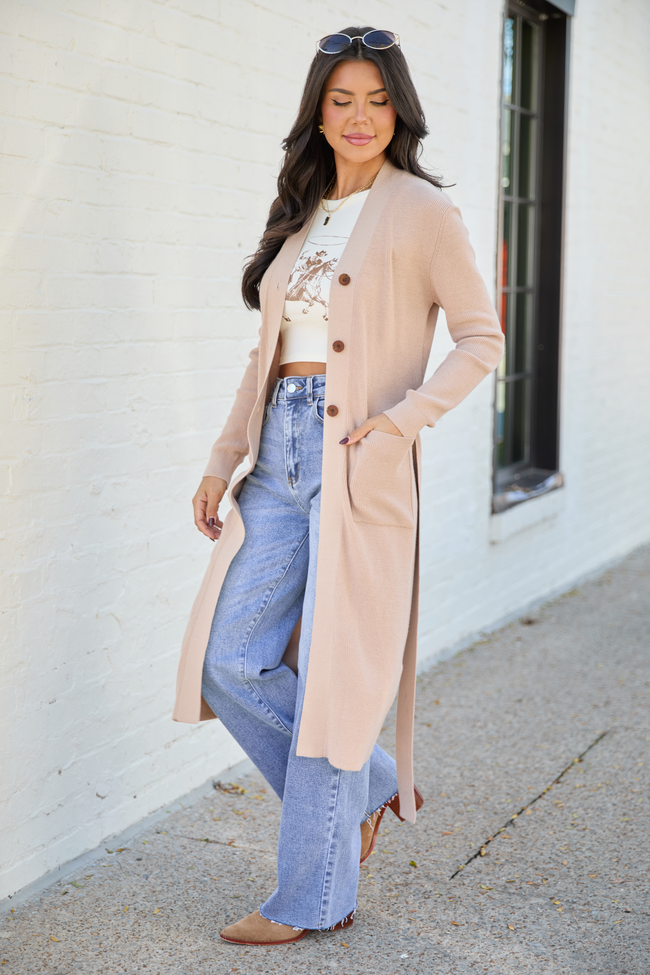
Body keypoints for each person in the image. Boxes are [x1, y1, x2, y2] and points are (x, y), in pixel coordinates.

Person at [173, 27, 504, 946]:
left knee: (331, 679)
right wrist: (221, 460)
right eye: (342, 100)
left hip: (358, 458)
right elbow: (266, 355)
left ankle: (312, 896)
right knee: (230, 660)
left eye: (377, 100)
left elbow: (482, 337)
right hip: (276, 458)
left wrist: (400, 422)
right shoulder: (304, 209)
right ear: (318, 114)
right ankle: (367, 784)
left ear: (399, 112)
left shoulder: (423, 211)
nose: (361, 117)